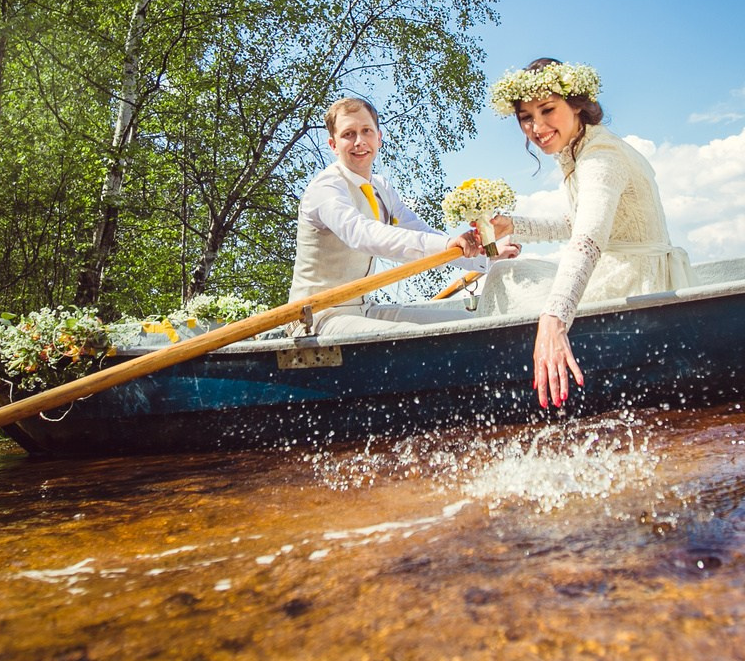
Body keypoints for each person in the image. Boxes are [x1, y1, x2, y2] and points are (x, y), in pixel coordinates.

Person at [476, 59, 693, 408]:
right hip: (625, 269)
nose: (537, 126)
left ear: (577, 104)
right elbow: (577, 221)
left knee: (505, 273)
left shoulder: (600, 156)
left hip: (635, 282)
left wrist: (554, 319)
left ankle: (508, 385)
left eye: (548, 110)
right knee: (509, 270)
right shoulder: (584, 148)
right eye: (525, 118)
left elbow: (588, 238)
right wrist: (512, 224)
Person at [289, 96, 512, 338]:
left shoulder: (382, 188)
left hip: (364, 309)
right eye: (348, 134)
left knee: (476, 325)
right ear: (333, 145)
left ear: (379, 138)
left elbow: (420, 234)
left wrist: (486, 256)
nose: (359, 141)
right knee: (425, 339)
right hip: (316, 317)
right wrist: (447, 244)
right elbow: (362, 234)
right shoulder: (326, 187)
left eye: (366, 131)